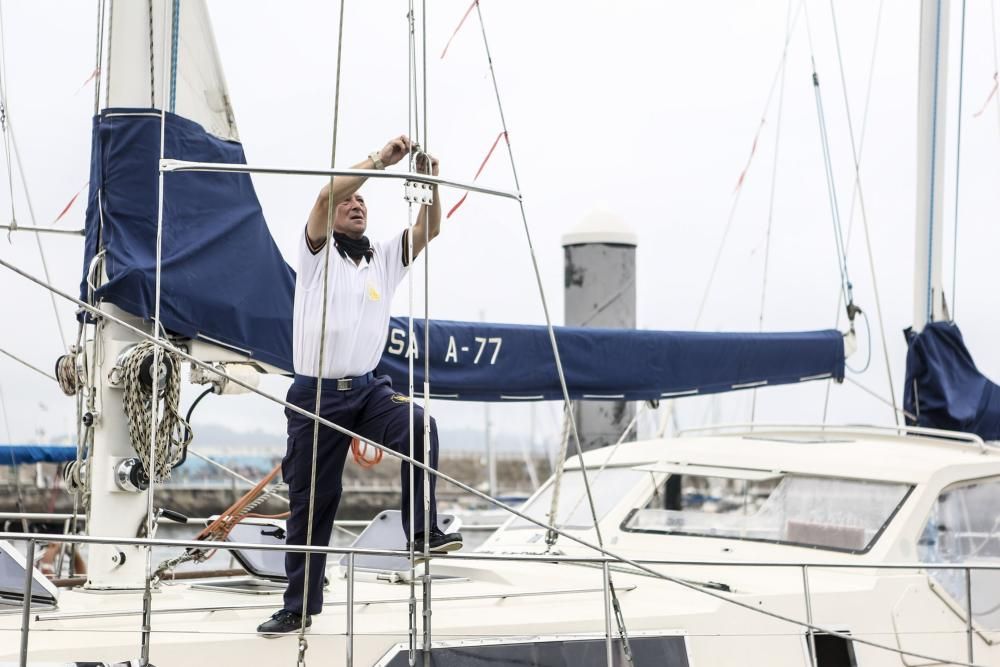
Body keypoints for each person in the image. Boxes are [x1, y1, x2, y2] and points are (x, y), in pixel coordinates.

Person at [257, 135, 462, 637]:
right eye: (351, 200)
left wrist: (428, 181)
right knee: (314, 500)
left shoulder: (382, 259)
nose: (355, 204)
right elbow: (326, 196)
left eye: (362, 202)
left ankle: (422, 532)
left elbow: (429, 226)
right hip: (316, 395)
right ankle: (299, 606)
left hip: (368, 389)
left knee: (420, 426)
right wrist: (381, 163)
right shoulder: (317, 253)